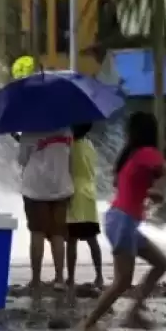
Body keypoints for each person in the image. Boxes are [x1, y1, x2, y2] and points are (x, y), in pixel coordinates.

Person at [81, 111, 166, 331]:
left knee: (161, 263)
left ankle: (133, 312)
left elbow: (121, 185)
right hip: (123, 221)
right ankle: (87, 324)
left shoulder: (129, 154)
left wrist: (149, 193)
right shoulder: (148, 153)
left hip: (119, 219)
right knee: (122, 282)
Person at [18, 128, 74, 291]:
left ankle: (36, 280)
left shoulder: (29, 132)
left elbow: (22, 160)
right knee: (58, 234)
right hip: (61, 188)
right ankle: (59, 279)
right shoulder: (66, 131)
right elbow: (70, 159)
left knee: (37, 233)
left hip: (36, 190)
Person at [66, 123, 104, 289]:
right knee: (92, 239)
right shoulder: (89, 145)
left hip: (74, 194)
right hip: (89, 194)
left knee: (72, 240)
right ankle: (100, 276)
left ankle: (71, 277)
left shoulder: (70, 147)